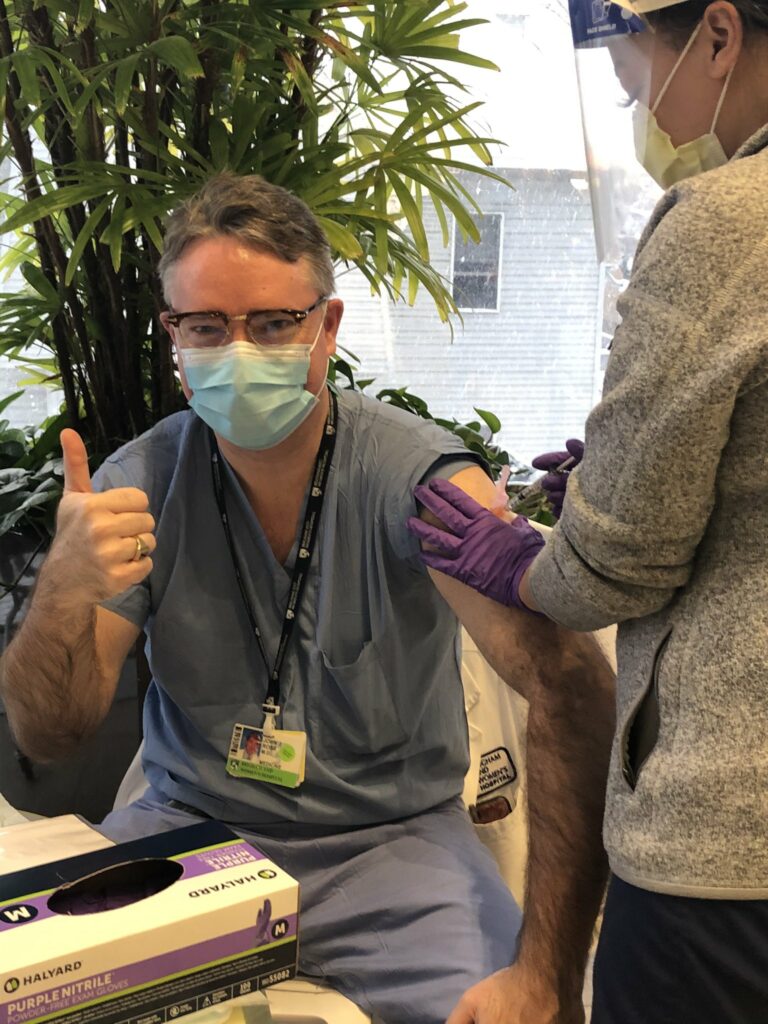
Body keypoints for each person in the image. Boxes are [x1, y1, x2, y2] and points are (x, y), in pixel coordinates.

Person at [0, 173, 614, 1024]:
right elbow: (50, 732)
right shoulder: (138, 487)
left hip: (394, 851)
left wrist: (546, 973)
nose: (238, 350)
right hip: (188, 833)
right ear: (172, 338)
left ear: (326, 325)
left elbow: (571, 681)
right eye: (207, 327)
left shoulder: (420, 482)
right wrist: (62, 592)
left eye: (274, 323)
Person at [408, 3, 768, 1022]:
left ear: (718, 36)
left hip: (733, 837)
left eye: (628, 83)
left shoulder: (726, 221)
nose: (638, 116)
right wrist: (626, 483)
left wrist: (526, 557)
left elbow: (616, 568)